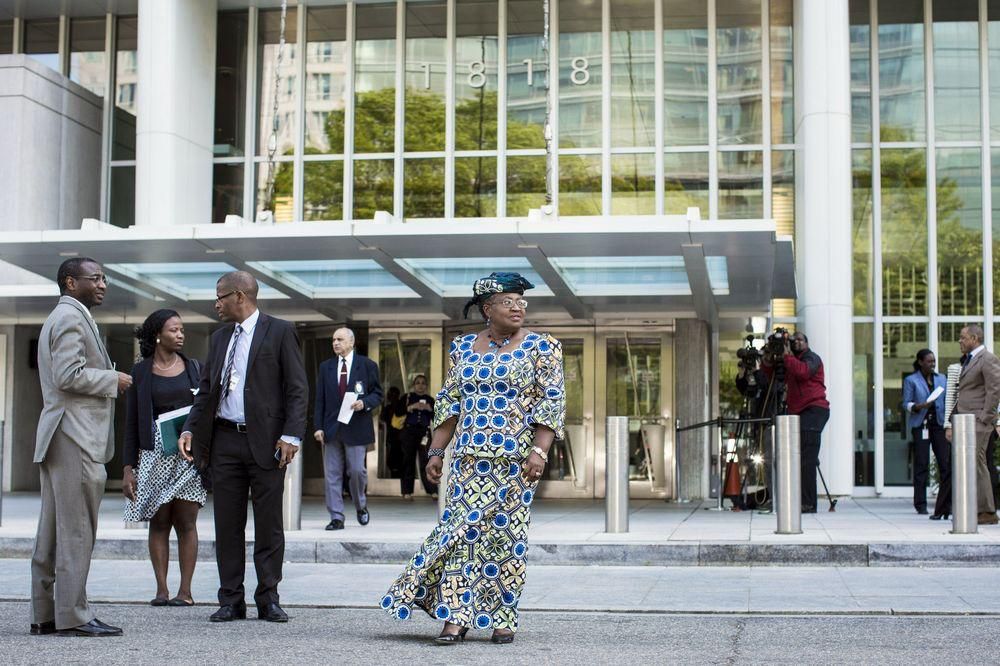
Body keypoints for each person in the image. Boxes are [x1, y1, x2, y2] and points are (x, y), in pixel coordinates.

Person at [380, 272, 565, 645]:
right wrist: (436, 451)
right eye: (508, 302)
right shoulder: (463, 348)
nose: (517, 307)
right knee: (460, 537)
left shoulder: (543, 348)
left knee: (505, 538)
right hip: (467, 462)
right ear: (487, 309)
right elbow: (450, 402)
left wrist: (539, 451)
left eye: (521, 302)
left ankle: (503, 617)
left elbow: (551, 402)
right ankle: (455, 617)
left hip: (515, 463)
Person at [177, 271, 307, 623]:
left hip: (267, 443)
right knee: (227, 525)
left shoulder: (279, 331)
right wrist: (191, 428)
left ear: (239, 296)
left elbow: (297, 387)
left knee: (269, 526)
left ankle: (268, 598)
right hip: (224, 442)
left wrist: (291, 435)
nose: (215, 303)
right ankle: (230, 599)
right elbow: (206, 392)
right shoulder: (219, 339)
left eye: (219, 296)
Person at [31, 258, 132, 637]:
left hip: (61, 435)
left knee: (53, 532)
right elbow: (68, 375)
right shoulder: (71, 318)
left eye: (105, 277)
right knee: (76, 530)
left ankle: (45, 615)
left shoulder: (64, 316)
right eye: (96, 278)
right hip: (74, 436)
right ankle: (73, 616)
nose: (103, 284)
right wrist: (114, 378)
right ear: (71, 282)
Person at [122, 309, 206, 606]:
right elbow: (131, 422)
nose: (180, 335)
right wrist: (128, 467)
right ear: (158, 334)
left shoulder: (195, 368)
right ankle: (161, 589)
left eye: (182, 330)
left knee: (186, 522)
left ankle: (185, 591)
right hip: (153, 457)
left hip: (186, 458)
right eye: (174, 330)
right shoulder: (140, 372)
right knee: (159, 522)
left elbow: (205, 411)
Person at [313, 328, 384, 530]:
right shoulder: (326, 367)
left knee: (356, 471)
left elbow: (378, 394)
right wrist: (318, 427)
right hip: (331, 429)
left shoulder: (367, 365)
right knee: (332, 474)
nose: (335, 343)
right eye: (333, 340)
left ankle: (360, 505)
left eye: (340, 339)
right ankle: (336, 516)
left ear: (351, 342)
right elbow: (320, 400)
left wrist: (365, 403)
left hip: (357, 427)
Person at [763, 331, 829, 513]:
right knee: (796, 458)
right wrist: (769, 356)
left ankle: (808, 504)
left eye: (800, 339)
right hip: (797, 412)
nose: (797, 342)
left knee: (807, 459)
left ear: (807, 343)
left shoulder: (812, 358)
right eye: (794, 340)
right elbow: (768, 375)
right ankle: (792, 499)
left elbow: (803, 372)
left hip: (814, 410)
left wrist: (786, 356)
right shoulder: (788, 360)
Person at [945, 324, 1000, 525]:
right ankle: (977, 508)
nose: (960, 341)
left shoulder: (987, 359)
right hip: (965, 421)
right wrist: (951, 422)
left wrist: (986, 418)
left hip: (978, 421)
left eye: (963, 337)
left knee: (977, 464)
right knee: (971, 465)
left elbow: (995, 390)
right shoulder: (970, 360)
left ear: (975, 338)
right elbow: (964, 393)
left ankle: (987, 511)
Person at [901, 349, 950, 519]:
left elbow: (947, 401)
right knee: (921, 464)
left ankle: (945, 504)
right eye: (929, 361)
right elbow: (905, 404)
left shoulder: (942, 379)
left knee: (945, 464)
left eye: (934, 361)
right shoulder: (911, 380)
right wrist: (918, 406)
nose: (932, 364)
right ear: (921, 362)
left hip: (938, 425)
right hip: (920, 424)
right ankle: (920, 504)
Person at [398, 374, 439, 500]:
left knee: (426, 461)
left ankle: (432, 491)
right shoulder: (408, 397)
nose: (420, 385)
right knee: (407, 461)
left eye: (423, 383)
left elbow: (437, 418)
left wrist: (429, 409)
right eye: (418, 383)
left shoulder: (430, 399)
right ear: (413, 385)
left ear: (426, 386)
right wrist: (411, 407)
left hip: (424, 433)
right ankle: (406, 492)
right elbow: (398, 412)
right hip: (409, 432)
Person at [381, 386, 404, 478]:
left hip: (399, 437)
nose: (392, 396)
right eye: (391, 395)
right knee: (393, 459)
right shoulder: (388, 408)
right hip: (392, 437)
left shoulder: (400, 407)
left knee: (398, 459)